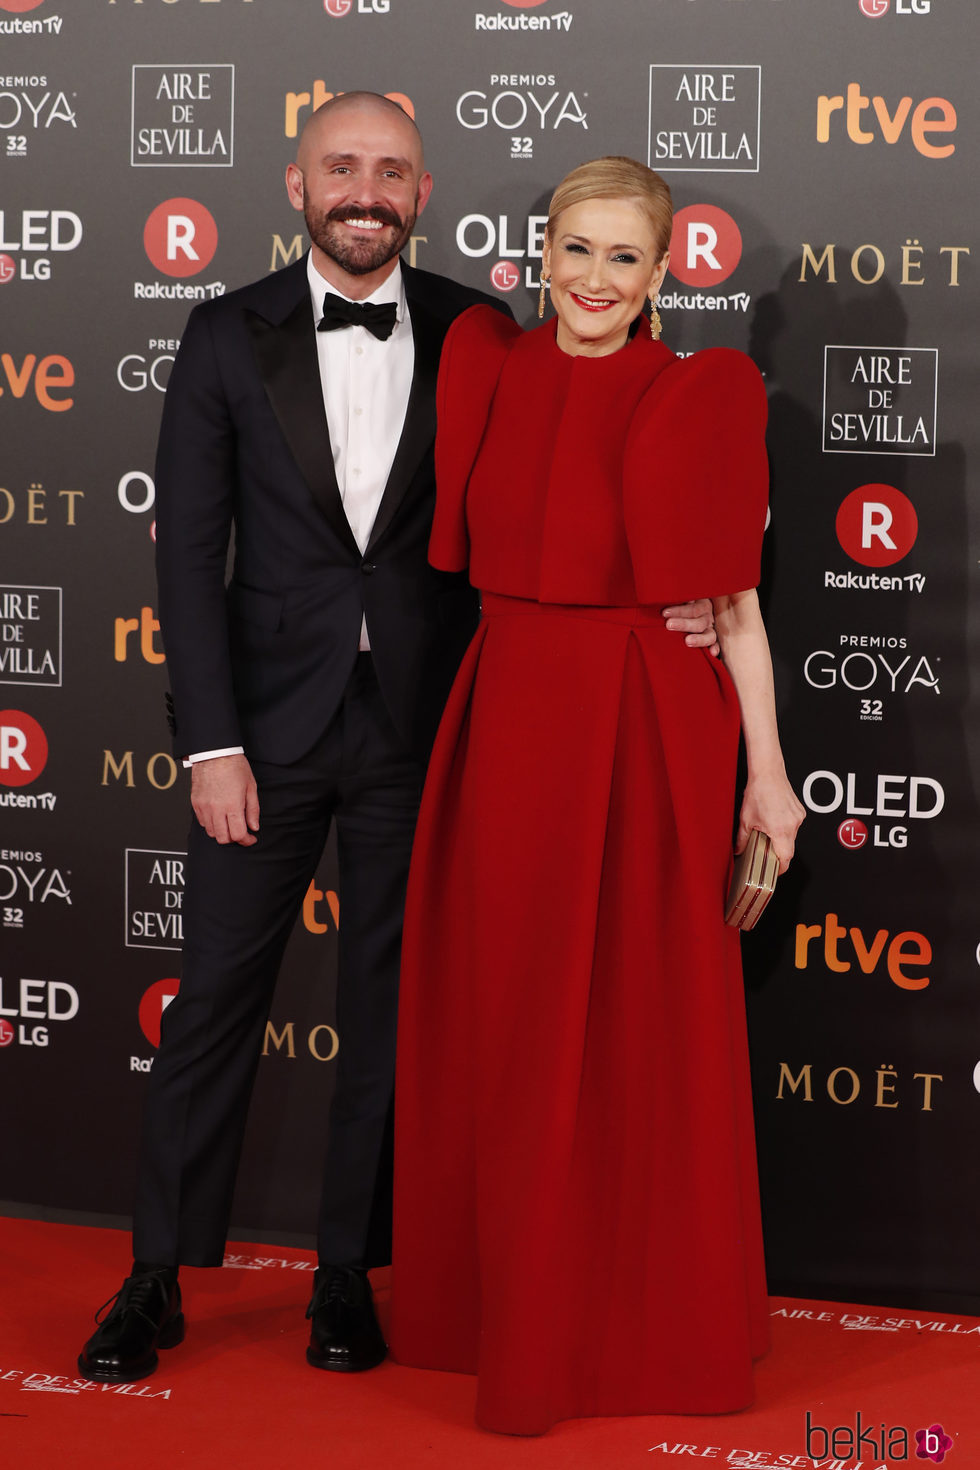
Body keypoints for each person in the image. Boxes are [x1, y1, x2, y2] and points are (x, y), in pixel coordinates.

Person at [77, 104, 716, 1386]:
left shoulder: (479, 332)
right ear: (295, 183)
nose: (361, 193)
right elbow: (189, 563)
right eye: (337, 170)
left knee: (390, 1019)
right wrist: (208, 744)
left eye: (385, 173)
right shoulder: (221, 335)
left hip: (428, 733)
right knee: (212, 1005)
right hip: (258, 735)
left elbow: (561, 491)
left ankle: (343, 1279)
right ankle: (154, 1275)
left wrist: (680, 602)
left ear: (422, 189)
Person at [389, 156, 805, 1435]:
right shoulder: (485, 366)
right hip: (510, 711)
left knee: (639, 1023)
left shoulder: (699, 395)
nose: (593, 280)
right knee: (509, 1018)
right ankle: (499, 1315)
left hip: (644, 727)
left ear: (664, 272)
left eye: (624, 257)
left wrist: (769, 785)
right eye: (576, 249)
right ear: (541, 251)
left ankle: (638, 1329)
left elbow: (732, 612)